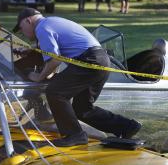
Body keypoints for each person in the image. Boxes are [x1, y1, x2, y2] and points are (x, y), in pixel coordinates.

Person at [12, 8, 142, 147]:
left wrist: (39, 77)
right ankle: (127, 126)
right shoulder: (51, 22)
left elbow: (54, 60)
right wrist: (32, 50)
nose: (23, 33)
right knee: (82, 109)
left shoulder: (42, 28)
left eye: (21, 28)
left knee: (55, 92)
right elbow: (58, 48)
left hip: (89, 61)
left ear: (28, 20)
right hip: (101, 60)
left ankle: (74, 135)